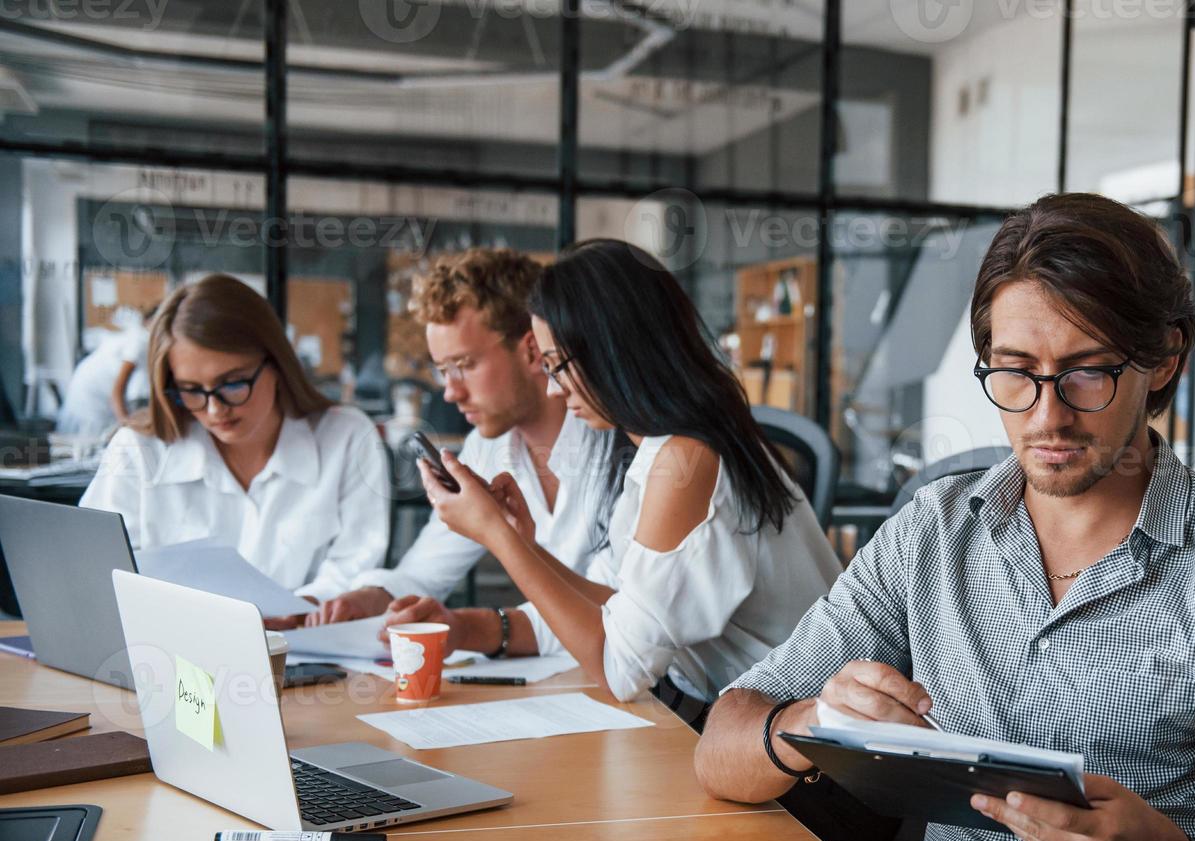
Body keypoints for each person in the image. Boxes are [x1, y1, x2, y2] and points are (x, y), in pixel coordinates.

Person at [695, 194, 1195, 841]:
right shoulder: (931, 531)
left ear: (1163, 359)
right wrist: (812, 719)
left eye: (1085, 373)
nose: (1046, 417)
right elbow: (721, 745)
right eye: (1013, 373)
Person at [417, 238, 842, 713]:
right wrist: (526, 546)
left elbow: (620, 671)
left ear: (611, 350)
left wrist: (500, 538)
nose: (555, 390)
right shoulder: (666, 449)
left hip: (799, 741)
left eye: (558, 366)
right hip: (751, 724)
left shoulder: (684, 463)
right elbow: (623, 611)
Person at [315, 249, 608, 663]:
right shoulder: (489, 446)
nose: (451, 392)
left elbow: (614, 622)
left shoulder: (616, 444)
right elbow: (427, 569)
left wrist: (469, 625)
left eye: (464, 365)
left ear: (531, 351)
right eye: (442, 370)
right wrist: (372, 598)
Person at [80, 274, 390, 620]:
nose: (214, 410)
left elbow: (355, 566)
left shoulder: (347, 437)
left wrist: (302, 611)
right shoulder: (138, 449)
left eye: (232, 384)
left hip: (306, 656)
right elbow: (100, 573)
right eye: (192, 389)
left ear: (275, 363)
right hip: (169, 654)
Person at [56, 305, 152, 436]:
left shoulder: (134, 334)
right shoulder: (140, 341)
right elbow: (117, 392)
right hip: (91, 407)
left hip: (82, 395)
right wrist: (127, 427)